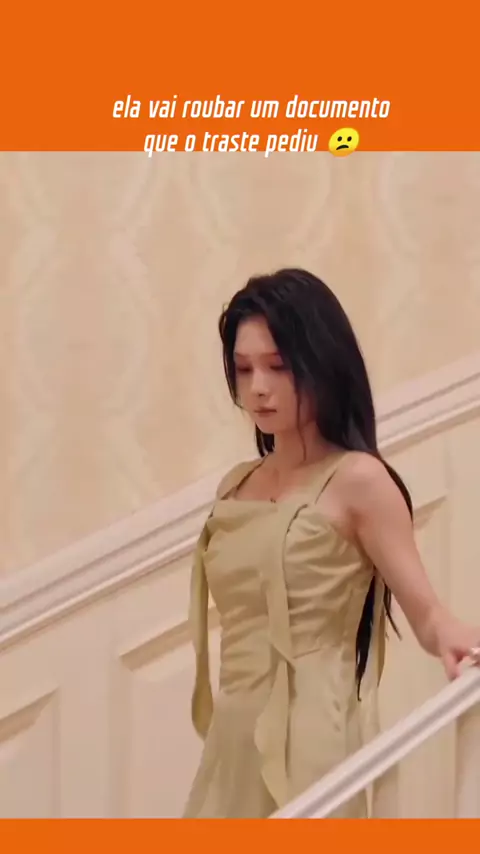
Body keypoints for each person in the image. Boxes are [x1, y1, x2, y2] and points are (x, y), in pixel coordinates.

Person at [183, 268, 480, 819]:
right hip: (234, 734)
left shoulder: (359, 480)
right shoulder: (236, 486)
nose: (258, 387)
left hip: (312, 735)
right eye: (243, 369)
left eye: (277, 365)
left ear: (320, 361)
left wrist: (456, 637)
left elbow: (427, 615)